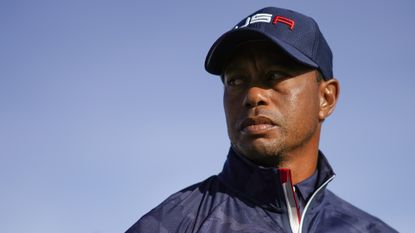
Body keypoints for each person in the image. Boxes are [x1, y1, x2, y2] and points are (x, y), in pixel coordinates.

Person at [126, 7, 397, 233]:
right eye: (236, 80)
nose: (253, 95)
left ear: (326, 98)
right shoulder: (174, 225)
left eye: (274, 76)